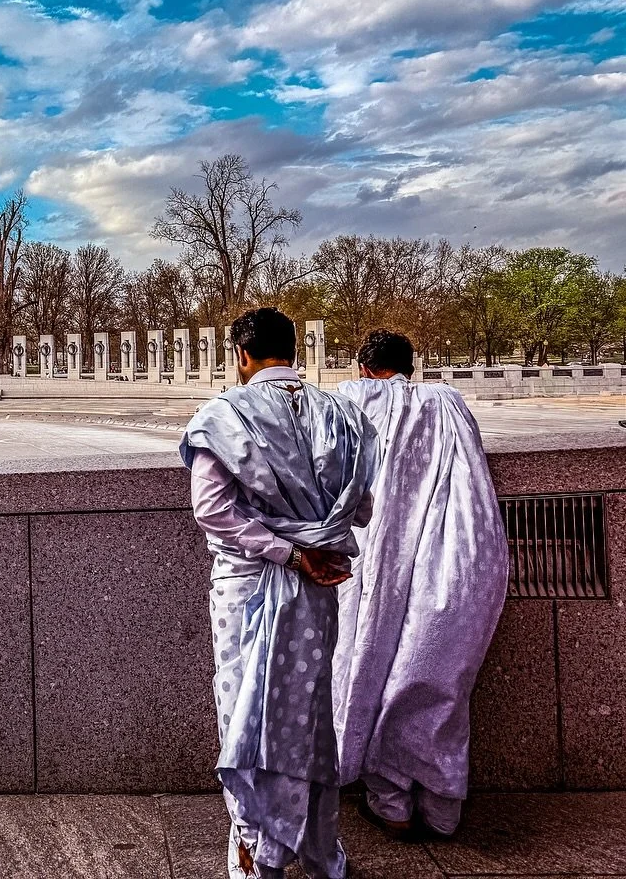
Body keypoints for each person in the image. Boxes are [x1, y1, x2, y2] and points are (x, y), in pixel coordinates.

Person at [179, 307, 377, 879]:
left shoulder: (224, 416)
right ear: (293, 350)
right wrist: (312, 542)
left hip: (248, 587)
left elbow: (211, 510)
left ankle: (256, 854)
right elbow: (358, 507)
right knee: (310, 714)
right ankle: (320, 853)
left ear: (241, 355)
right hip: (318, 586)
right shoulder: (341, 416)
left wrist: (284, 550)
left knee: (246, 711)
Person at [334, 330, 507, 841]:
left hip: (379, 558)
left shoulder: (353, 397)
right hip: (457, 557)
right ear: (410, 366)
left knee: (367, 668)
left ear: (366, 368)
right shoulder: (448, 399)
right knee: (434, 678)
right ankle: (441, 806)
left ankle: (389, 801)